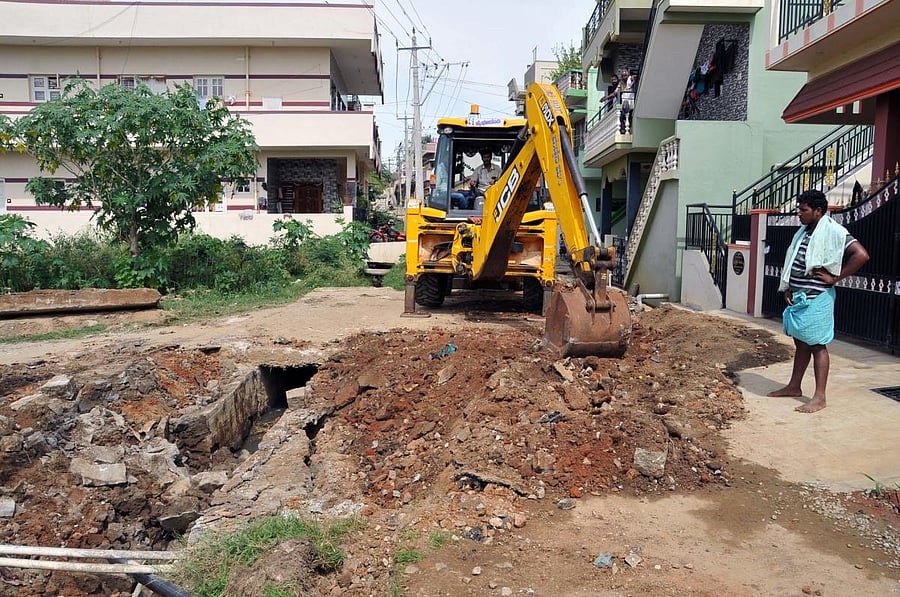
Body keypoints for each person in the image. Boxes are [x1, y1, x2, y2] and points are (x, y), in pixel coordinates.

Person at [767, 189, 869, 413]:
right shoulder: (804, 231)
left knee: (817, 345)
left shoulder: (834, 231)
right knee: (801, 342)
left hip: (818, 298)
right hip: (799, 297)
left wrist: (836, 277)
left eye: (803, 210)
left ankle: (820, 397)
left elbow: (861, 255)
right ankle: (794, 386)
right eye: (799, 209)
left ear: (818, 211)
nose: (799, 214)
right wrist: (790, 287)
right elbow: (796, 261)